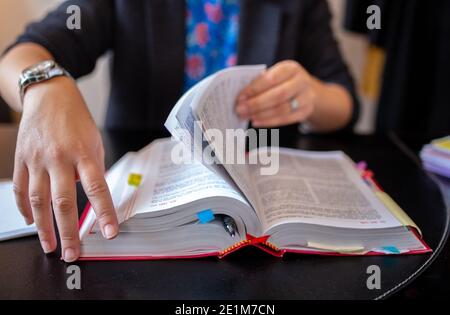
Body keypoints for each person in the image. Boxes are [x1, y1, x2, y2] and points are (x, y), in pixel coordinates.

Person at [0, 0, 358, 262]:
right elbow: (20, 54)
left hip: (264, 229)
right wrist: (44, 85)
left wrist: (311, 96)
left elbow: (344, 102)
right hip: (146, 204)